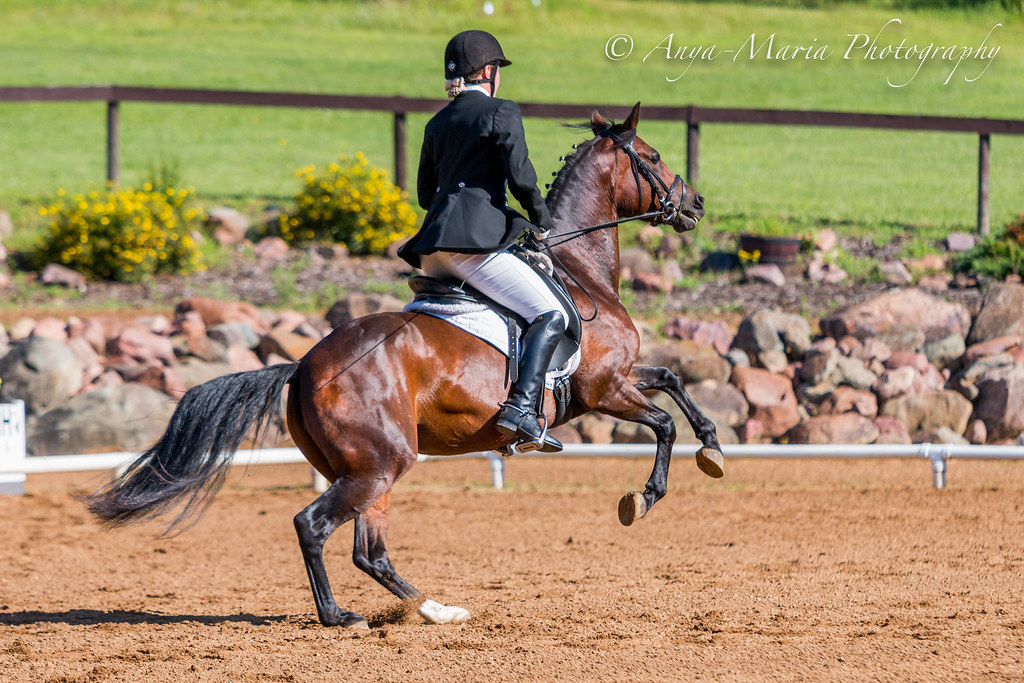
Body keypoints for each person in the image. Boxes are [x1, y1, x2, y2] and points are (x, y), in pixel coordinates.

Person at [398, 29, 568, 453]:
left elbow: (424, 195)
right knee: (549, 314)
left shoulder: (437, 122)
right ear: (490, 72)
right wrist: (542, 222)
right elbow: (521, 178)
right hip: (474, 248)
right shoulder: (500, 112)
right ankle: (523, 410)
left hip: (432, 253)